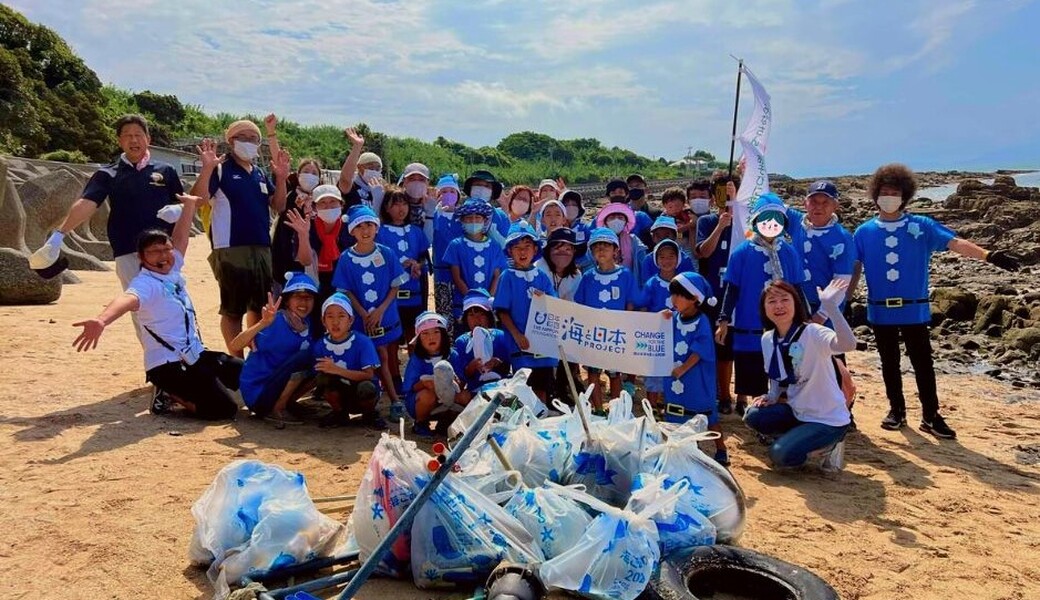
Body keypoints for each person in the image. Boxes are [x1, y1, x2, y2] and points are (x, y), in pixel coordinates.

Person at [853, 164, 1019, 438]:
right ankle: (897, 410)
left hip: (915, 311)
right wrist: (842, 299)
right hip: (880, 312)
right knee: (889, 363)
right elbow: (853, 267)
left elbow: (955, 243)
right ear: (875, 195)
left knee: (923, 364)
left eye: (895, 192)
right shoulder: (863, 232)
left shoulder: (922, 226)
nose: (889, 197)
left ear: (905, 196)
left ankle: (931, 415)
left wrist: (989, 255)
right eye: (884, 192)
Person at [71, 194, 242, 420]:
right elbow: (126, 300)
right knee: (223, 410)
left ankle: (201, 385)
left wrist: (189, 206)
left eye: (166, 250)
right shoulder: (145, 284)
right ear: (142, 257)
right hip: (167, 365)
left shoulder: (171, 270)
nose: (163, 256)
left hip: (195, 354)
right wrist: (102, 320)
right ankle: (168, 395)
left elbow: (181, 239)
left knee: (246, 372)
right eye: (154, 252)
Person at [30, 114, 184, 288]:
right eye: (127, 135)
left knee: (169, 300)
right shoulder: (108, 173)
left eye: (138, 135)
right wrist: (59, 234)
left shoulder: (166, 171)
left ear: (148, 139)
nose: (133, 140)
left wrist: (179, 210)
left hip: (163, 250)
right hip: (127, 248)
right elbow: (87, 203)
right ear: (119, 141)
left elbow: (186, 203)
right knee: (140, 304)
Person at [191, 119, 289, 356]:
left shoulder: (260, 173)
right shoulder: (221, 168)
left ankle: (255, 353)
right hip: (230, 248)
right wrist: (206, 169)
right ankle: (236, 358)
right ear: (230, 141)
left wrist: (282, 178)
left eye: (253, 139)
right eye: (242, 138)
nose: (248, 143)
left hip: (262, 247)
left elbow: (279, 205)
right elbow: (198, 199)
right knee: (233, 309)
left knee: (260, 305)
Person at [744, 279, 856, 468]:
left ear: (796, 303)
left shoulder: (812, 332)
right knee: (753, 415)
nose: (778, 306)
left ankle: (826, 446)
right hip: (798, 411)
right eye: (771, 301)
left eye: (784, 299)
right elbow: (776, 374)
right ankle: (798, 438)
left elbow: (848, 344)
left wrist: (830, 307)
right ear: (764, 308)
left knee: (779, 455)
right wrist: (772, 395)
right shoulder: (767, 339)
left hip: (827, 419)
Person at [715, 193, 807, 417]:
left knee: (784, 375)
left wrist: (806, 319)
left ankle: (780, 417)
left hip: (784, 328)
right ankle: (758, 418)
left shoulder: (788, 251)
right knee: (754, 376)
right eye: (766, 219)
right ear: (756, 222)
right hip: (751, 326)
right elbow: (732, 288)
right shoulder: (742, 252)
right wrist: (723, 320)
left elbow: (797, 287)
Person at [786, 180, 859, 418]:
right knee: (799, 356)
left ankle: (844, 410)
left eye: (824, 202)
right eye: (813, 201)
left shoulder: (841, 237)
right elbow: (768, 202)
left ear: (834, 205)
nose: (818, 207)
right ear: (805, 203)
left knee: (833, 357)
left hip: (825, 310)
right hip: (797, 306)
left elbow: (842, 280)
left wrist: (821, 315)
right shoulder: (797, 224)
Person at [331, 205, 410, 420]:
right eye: (359, 227)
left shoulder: (386, 253)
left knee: (383, 355)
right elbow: (346, 290)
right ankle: (365, 401)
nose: (365, 231)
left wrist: (380, 310)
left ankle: (394, 400)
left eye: (369, 225)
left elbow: (396, 284)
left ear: (376, 227)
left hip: (384, 316)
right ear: (352, 231)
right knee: (366, 359)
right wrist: (363, 314)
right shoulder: (347, 258)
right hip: (360, 320)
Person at [233, 273, 318, 427]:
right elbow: (235, 346)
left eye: (308, 297)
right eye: (298, 297)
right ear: (287, 300)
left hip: (275, 385)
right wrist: (262, 324)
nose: (304, 302)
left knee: (321, 361)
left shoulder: (308, 322)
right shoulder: (275, 321)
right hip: (259, 394)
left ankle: (286, 403)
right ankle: (277, 409)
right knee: (308, 356)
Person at [574, 227, 642, 410]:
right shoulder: (588, 277)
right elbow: (580, 304)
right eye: (597, 247)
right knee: (594, 373)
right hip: (594, 334)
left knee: (614, 373)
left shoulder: (625, 275)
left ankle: (615, 409)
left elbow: (630, 301)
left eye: (606, 246)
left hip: (616, 334)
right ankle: (597, 409)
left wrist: (625, 324)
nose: (601, 250)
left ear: (616, 250)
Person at [664, 271, 727, 465]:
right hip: (676, 377)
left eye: (679, 295)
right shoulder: (675, 318)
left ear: (693, 298)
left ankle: (721, 448)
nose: (674, 299)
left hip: (696, 377)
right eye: (672, 294)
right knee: (677, 412)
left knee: (706, 414)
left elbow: (701, 350)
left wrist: (684, 368)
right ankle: (686, 446)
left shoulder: (702, 322)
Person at [494, 223, 558, 402]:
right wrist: (516, 334)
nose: (522, 252)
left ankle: (541, 422)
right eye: (517, 248)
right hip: (520, 342)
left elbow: (553, 306)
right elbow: (502, 311)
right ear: (510, 251)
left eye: (527, 247)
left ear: (535, 249)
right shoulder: (507, 277)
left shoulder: (542, 276)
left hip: (543, 342)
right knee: (523, 388)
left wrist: (545, 299)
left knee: (542, 387)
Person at [311, 292, 386, 429]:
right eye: (330, 316)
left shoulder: (363, 342)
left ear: (350, 320)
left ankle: (369, 414)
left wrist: (337, 370)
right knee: (322, 378)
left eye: (341, 316)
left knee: (366, 387)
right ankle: (339, 413)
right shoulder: (320, 345)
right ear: (323, 321)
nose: (335, 322)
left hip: (362, 394)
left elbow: (369, 374)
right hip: (340, 393)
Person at [695, 177, 736, 414]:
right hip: (711, 293)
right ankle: (710, 391)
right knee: (710, 344)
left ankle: (726, 394)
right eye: (720, 194)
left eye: (729, 193)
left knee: (728, 349)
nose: (725, 198)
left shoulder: (744, 223)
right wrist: (720, 226)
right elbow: (703, 252)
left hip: (737, 293)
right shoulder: (707, 221)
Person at [535, 227, 587, 404]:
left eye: (568, 248)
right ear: (549, 250)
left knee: (572, 346)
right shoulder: (538, 269)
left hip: (565, 321)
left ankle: (564, 388)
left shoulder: (576, 274)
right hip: (541, 322)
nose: (562, 252)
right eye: (557, 247)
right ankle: (547, 391)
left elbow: (574, 303)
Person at [377, 186, 431, 354]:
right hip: (391, 298)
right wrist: (398, 267)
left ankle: (414, 372)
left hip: (414, 295)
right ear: (386, 207)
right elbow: (377, 263)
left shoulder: (416, 231)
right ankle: (393, 376)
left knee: (414, 335)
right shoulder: (380, 232)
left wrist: (418, 265)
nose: (401, 209)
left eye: (404, 204)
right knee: (391, 338)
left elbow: (424, 257)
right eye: (395, 204)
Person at [287, 184, 355, 316]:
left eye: (333, 202)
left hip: (347, 285)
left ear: (341, 205)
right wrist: (303, 235)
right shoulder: (306, 226)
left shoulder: (350, 227)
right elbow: (305, 261)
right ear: (314, 207)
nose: (328, 206)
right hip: (316, 285)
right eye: (322, 203)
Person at [403, 311, 469, 438]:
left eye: (436, 332)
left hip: (449, 398)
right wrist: (424, 384)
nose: (431, 337)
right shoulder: (417, 359)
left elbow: (462, 381)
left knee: (466, 396)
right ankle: (421, 423)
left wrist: (454, 382)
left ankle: (445, 423)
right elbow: (410, 387)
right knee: (427, 396)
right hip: (426, 401)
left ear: (443, 335)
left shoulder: (453, 355)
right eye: (425, 334)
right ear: (419, 338)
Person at [442, 199, 506, 323]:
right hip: (463, 302)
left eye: (477, 218)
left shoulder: (494, 246)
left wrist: (487, 298)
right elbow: (457, 276)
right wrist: (471, 299)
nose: (473, 221)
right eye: (469, 218)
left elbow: (497, 275)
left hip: (488, 303)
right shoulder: (456, 245)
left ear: (485, 220)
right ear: (462, 221)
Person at [642, 239, 681, 413]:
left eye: (671, 256)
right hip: (657, 337)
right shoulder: (652, 283)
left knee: (674, 372)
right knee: (655, 373)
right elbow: (643, 307)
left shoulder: (683, 283)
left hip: (679, 337)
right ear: (656, 260)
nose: (667, 261)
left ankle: (671, 409)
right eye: (662, 257)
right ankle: (651, 410)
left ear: (678, 258)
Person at [452, 289, 512, 396]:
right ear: (466, 318)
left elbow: (508, 368)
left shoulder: (501, 336)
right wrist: (472, 367)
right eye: (471, 315)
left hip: (501, 387)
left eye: (481, 314)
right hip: (476, 391)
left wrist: (497, 363)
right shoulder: (461, 342)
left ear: (489, 316)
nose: (476, 319)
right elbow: (463, 376)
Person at [431, 175, 463, 334]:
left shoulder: (464, 216)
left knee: (461, 309)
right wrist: (434, 214)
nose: (448, 194)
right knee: (444, 311)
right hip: (441, 272)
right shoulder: (434, 214)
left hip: (462, 271)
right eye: (443, 191)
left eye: (452, 191)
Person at [594, 202, 648, 281]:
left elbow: (642, 263)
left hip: (628, 284)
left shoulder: (634, 240)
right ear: (605, 222)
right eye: (612, 217)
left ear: (626, 222)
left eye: (620, 217)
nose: (616, 220)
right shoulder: (596, 241)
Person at [463, 170, 511, 246]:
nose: (482, 189)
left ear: (492, 192)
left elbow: (509, 245)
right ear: (470, 188)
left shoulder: (501, 216)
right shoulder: (460, 213)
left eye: (487, 186)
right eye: (478, 184)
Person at [639, 215, 695, 280]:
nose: (662, 239)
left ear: (674, 237)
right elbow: (646, 285)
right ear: (653, 238)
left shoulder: (685, 259)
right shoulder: (648, 260)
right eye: (658, 236)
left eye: (667, 235)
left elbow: (690, 283)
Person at [661, 185, 696, 250]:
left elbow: (695, 221)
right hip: (671, 245)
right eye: (670, 207)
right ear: (664, 206)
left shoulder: (687, 213)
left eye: (677, 206)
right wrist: (688, 225)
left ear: (683, 204)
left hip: (688, 244)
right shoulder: (663, 218)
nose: (674, 209)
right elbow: (674, 230)